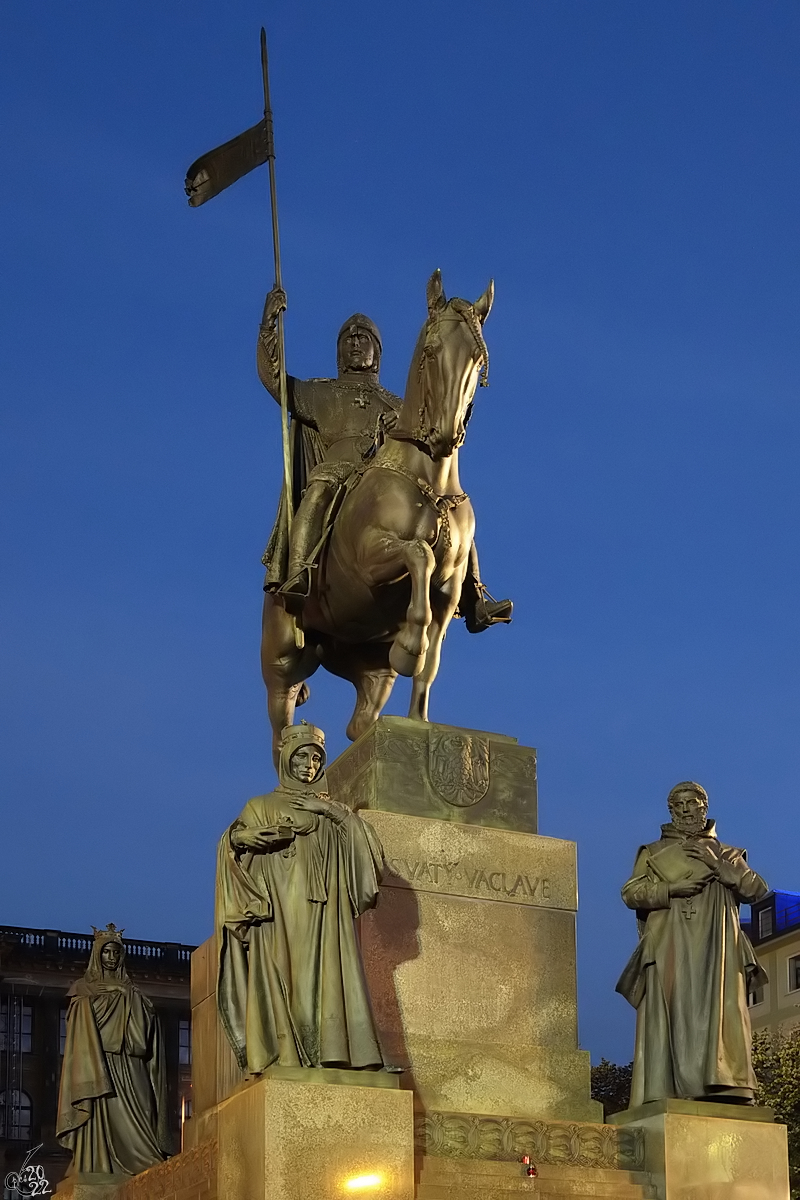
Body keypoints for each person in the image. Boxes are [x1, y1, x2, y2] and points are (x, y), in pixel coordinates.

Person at [257, 286, 511, 631]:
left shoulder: (396, 403)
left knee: (450, 505)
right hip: (338, 470)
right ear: (339, 352)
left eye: (364, 339)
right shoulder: (321, 393)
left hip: (386, 477)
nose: (356, 344)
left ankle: (473, 595)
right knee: (316, 492)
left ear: (377, 352)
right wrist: (268, 325)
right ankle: (300, 570)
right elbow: (275, 381)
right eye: (349, 340)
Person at [215, 721, 389, 1074]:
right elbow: (231, 844)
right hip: (279, 910)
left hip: (326, 912)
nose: (308, 766)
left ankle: (332, 1051)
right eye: (301, 758)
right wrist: (243, 839)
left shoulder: (332, 810)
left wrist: (327, 810)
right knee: (285, 974)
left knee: (329, 976)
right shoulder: (260, 805)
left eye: (315, 758)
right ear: (286, 761)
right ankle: (288, 1052)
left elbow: (368, 850)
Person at [616, 781, 768, 1106]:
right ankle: (669, 1090)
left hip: (718, 950)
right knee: (672, 1017)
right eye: (679, 805)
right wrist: (670, 890)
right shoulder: (653, 852)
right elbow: (631, 893)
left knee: (720, 1014)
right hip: (671, 944)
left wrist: (718, 865)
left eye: (692, 803)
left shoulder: (727, 853)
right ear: (671, 810)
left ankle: (727, 1087)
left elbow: (756, 890)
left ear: (704, 807)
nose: (686, 810)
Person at [56, 924, 170, 1177]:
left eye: (116, 952)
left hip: (129, 1062)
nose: (111, 957)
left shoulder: (134, 992)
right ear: (98, 955)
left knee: (143, 1109)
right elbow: (78, 1029)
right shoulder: (82, 989)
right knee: (99, 1113)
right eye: (106, 952)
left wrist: (140, 1006)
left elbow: (146, 1035)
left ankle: (146, 1161)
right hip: (98, 1062)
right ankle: (97, 1163)